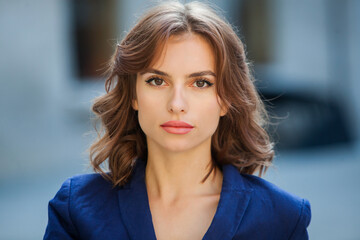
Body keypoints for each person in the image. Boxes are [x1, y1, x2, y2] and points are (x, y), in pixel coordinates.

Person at [44, 1, 311, 239]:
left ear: (226, 99)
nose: (176, 104)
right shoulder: (76, 209)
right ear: (134, 95)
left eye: (201, 83)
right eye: (157, 81)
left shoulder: (282, 219)